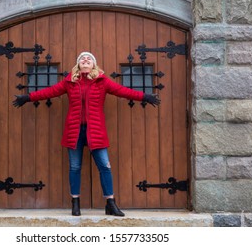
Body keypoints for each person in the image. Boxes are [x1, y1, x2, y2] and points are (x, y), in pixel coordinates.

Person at [13, 52, 160, 217]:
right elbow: (50, 91)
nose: (85, 60)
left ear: (93, 65)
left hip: (95, 131)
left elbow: (123, 91)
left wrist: (145, 96)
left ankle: (110, 203)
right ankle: (75, 203)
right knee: (75, 167)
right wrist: (28, 97)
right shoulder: (70, 82)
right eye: (82, 59)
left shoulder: (102, 82)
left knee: (105, 166)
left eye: (89, 59)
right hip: (74, 131)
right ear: (78, 64)